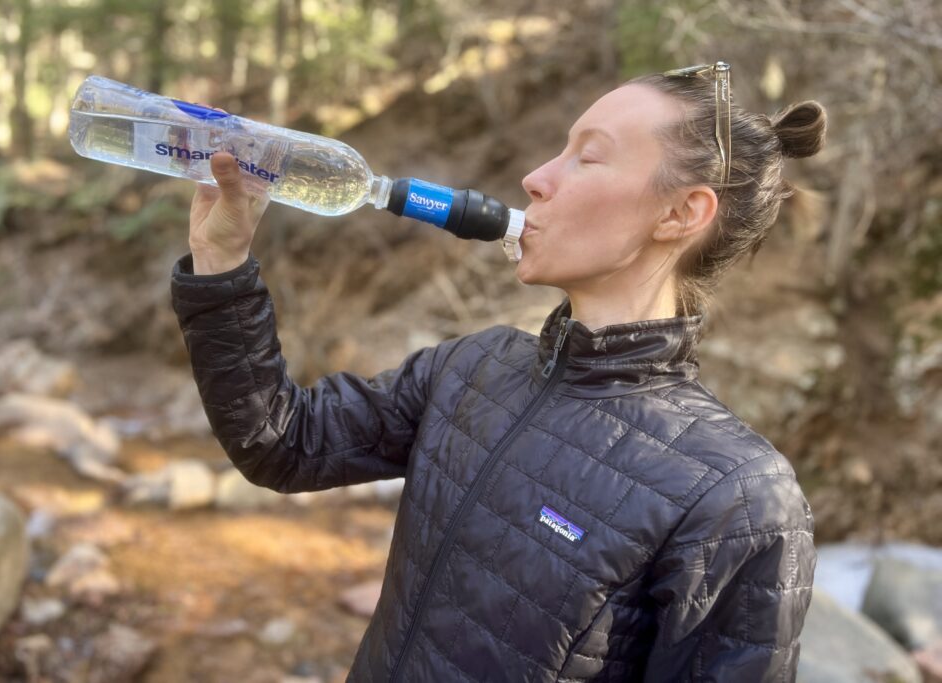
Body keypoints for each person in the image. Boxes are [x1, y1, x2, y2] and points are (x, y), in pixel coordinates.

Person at [170, 61, 825, 682]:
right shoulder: (472, 367)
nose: (537, 178)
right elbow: (284, 444)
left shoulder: (737, 497)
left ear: (681, 213)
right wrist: (222, 258)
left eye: (587, 157)